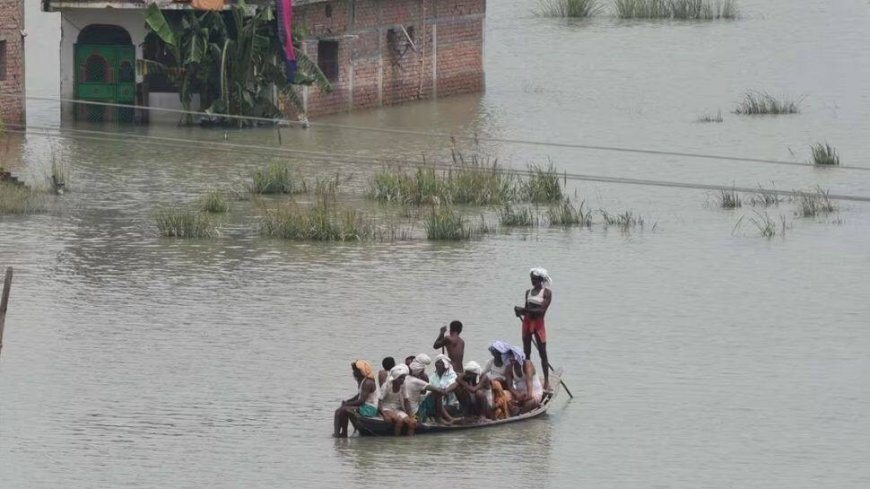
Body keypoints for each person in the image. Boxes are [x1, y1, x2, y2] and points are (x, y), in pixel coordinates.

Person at [514, 267, 553, 390]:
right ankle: (528, 381)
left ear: (541, 279)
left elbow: (541, 311)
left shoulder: (546, 293)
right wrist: (518, 312)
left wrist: (523, 310)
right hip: (526, 323)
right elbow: (526, 311)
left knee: (542, 353)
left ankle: (546, 382)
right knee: (526, 354)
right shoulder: (528, 292)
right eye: (531, 279)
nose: (533, 281)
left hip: (539, 324)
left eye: (535, 279)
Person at [334, 360, 379, 438]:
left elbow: (361, 401)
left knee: (342, 410)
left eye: (356, 370)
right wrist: (348, 401)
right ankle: (340, 433)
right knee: (339, 411)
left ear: (362, 371)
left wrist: (347, 404)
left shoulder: (368, 382)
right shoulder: (362, 381)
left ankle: (340, 434)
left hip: (369, 409)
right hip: (364, 406)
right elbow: (359, 395)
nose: (354, 373)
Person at [418, 354, 458, 423]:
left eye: (442, 363)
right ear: (435, 365)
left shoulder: (452, 375)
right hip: (436, 404)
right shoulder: (433, 376)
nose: (439, 365)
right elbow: (428, 391)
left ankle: (446, 418)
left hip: (449, 404)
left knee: (438, 395)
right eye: (438, 363)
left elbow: (448, 387)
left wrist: (440, 391)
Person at [379, 364, 415, 436]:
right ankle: (396, 442)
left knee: (412, 423)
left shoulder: (403, 385)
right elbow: (379, 401)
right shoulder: (387, 385)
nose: (403, 380)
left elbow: (406, 401)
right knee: (400, 421)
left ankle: (410, 443)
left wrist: (411, 416)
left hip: (397, 408)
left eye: (403, 378)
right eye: (401, 378)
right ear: (395, 378)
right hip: (386, 407)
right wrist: (384, 415)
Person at [505, 350, 544, 415]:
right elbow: (510, 386)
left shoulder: (527, 364)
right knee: (504, 396)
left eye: (513, 356)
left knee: (528, 403)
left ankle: (520, 413)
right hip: (519, 395)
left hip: (533, 393)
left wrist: (527, 396)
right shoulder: (509, 368)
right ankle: (516, 410)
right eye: (510, 357)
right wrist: (518, 395)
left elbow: (529, 382)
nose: (511, 359)